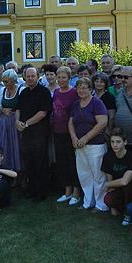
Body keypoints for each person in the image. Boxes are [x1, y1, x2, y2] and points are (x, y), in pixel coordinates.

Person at [69, 77, 109, 211]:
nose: (81, 90)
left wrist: (86, 138)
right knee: (84, 175)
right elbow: (70, 123)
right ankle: (88, 202)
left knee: (98, 175)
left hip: (95, 144)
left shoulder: (97, 103)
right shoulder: (76, 104)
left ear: (91, 89)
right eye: (79, 88)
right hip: (79, 145)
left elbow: (102, 123)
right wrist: (74, 138)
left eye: (84, 88)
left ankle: (100, 204)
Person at [16, 67, 52, 201]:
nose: (30, 78)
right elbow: (18, 108)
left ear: (38, 77)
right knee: (28, 161)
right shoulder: (24, 92)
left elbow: (43, 113)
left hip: (39, 132)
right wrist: (17, 121)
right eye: (28, 76)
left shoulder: (44, 92)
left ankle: (41, 191)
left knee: (40, 162)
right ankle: (31, 189)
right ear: (24, 77)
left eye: (33, 76)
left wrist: (26, 124)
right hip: (26, 133)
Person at [52, 66, 81, 204]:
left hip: (71, 132)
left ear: (69, 78)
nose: (61, 80)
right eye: (59, 77)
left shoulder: (74, 92)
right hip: (57, 131)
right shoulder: (56, 92)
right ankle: (67, 190)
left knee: (72, 162)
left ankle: (76, 192)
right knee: (62, 162)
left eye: (64, 77)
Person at [101, 130, 132, 217]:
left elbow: (125, 181)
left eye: (118, 142)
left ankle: (128, 214)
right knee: (108, 199)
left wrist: (106, 184)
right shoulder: (108, 157)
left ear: (125, 142)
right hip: (117, 187)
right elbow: (109, 179)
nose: (115, 145)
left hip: (131, 188)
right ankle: (123, 210)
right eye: (112, 142)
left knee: (128, 186)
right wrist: (109, 186)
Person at [0, 69, 23, 173]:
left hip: (15, 121)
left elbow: (23, 106)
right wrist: (2, 110)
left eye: (7, 81)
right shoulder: (2, 90)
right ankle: (4, 169)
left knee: (16, 146)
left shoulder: (21, 89)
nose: (5, 83)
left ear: (14, 80)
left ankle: (18, 171)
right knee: (4, 145)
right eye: (4, 81)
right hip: (4, 122)